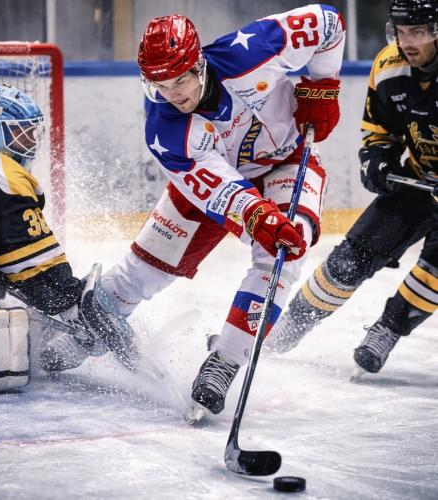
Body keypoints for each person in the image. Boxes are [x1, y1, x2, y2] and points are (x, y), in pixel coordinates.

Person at [47, 4, 345, 417]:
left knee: (286, 249)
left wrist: (323, 83)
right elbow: (221, 189)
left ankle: (225, 360)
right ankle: (87, 328)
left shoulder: (253, 50)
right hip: (218, 183)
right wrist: (256, 214)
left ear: (199, 64)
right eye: (159, 85)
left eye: (179, 80)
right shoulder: (165, 130)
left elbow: (328, 22)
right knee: (146, 268)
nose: (172, 94)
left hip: (288, 161)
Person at [269, 0, 438, 375]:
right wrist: (379, 158)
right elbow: (380, 129)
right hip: (419, 178)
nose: (408, 42)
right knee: (350, 258)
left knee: (433, 273)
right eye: (401, 32)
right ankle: (288, 327)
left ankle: (388, 329)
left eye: (418, 32)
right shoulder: (390, 66)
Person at [0, 83, 119, 396]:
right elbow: (41, 276)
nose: (29, 145)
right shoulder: (3, 173)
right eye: (21, 135)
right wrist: (78, 309)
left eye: (33, 135)